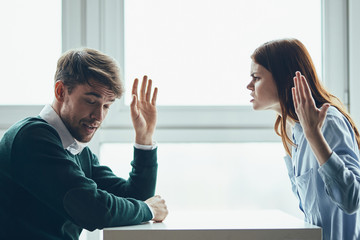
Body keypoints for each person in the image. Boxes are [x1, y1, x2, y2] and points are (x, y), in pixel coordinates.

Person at [0, 48, 168, 240]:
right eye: (90, 101)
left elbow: (135, 197)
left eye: (106, 106)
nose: (99, 116)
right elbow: (94, 210)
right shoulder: (32, 138)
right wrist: (149, 209)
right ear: (60, 91)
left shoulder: (76, 151)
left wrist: (144, 139)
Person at [247, 38, 360, 240]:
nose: (249, 85)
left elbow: (352, 200)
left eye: (256, 77)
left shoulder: (328, 122)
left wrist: (314, 136)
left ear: (284, 79)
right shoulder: (295, 133)